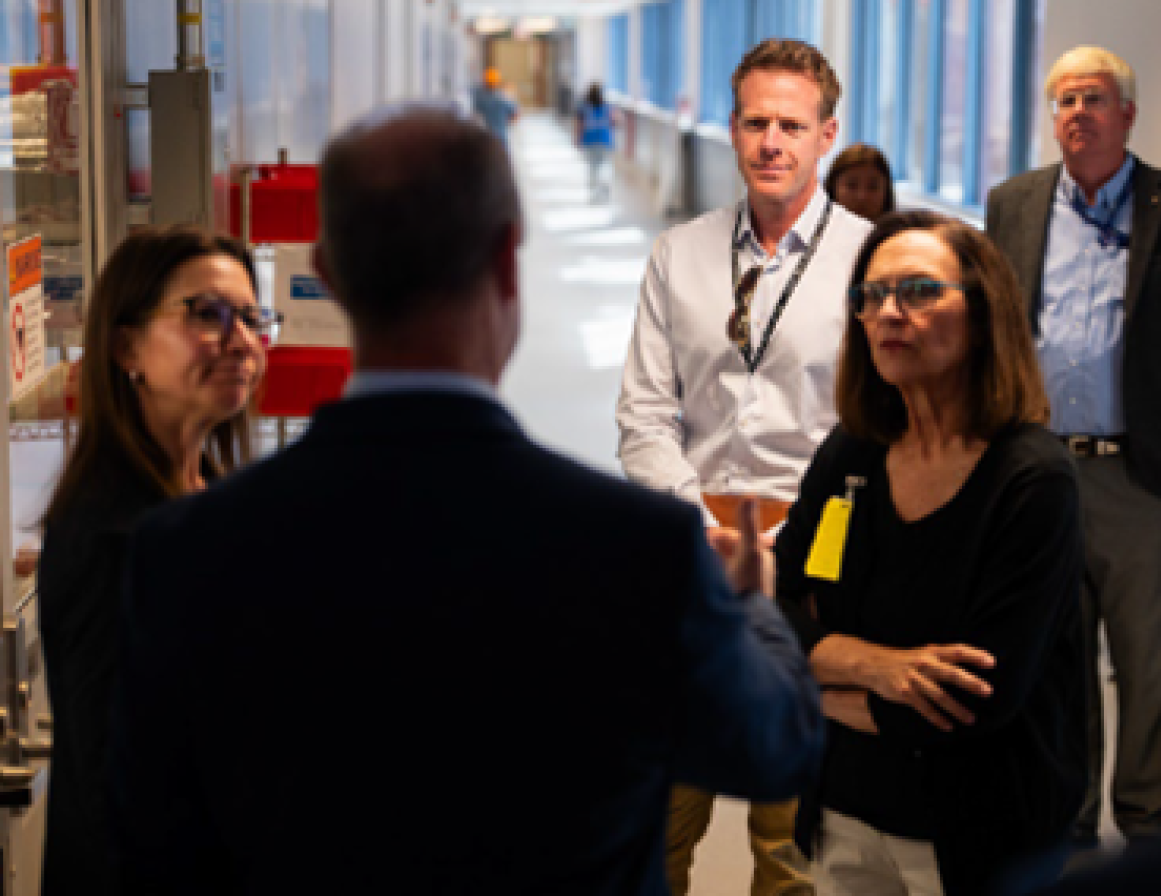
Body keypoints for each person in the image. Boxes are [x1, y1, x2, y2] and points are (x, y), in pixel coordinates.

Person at [109, 105, 824, 895]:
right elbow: (774, 751)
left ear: (330, 274)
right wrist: (749, 607)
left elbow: (150, 851)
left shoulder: (185, 552)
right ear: (508, 266)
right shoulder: (638, 548)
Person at [617, 37, 871, 895]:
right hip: (691, 561)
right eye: (757, 122)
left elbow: (875, 432)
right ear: (731, 128)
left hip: (816, 564)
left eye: (792, 126)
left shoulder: (869, 261)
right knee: (657, 822)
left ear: (826, 134)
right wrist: (702, 525)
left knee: (792, 842)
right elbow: (644, 416)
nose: (772, 142)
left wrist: (787, 543)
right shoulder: (679, 254)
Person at [770, 209, 1086, 896]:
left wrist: (804, 680)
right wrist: (874, 667)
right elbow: (774, 606)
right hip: (846, 805)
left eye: (917, 291)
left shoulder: (1031, 479)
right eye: (871, 295)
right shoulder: (853, 451)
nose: (889, 312)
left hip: (979, 825)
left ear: (983, 314)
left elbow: (972, 700)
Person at [985, 45, 1161, 849]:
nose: (1077, 114)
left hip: (1145, 477)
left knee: (1152, 668)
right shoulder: (1014, 204)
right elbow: (996, 332)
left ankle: (1152, 829)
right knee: (1057, 663)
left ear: (1127, 113)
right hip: (1040, 472)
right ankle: (1070, 821)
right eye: (1064, 100)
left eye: (1093, 99)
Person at [37, 227, 272, 895]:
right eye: (208, 314)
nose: (242, 341)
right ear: (126, 348)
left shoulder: (210, 499)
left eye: (251, 317)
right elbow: (119, 804)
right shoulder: (111, 538)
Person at [824, 144, 896, 222]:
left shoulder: (900, 229)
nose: (862, 197)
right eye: (851, 185)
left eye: (873, 187)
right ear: (833, 188)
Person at [576, 82, 616, 200]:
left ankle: (594, 191)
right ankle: (604, 185)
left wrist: (577, 140)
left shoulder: (583, 107)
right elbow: (614, 121)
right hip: (605, 140)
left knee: (592, 167)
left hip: (589, 140)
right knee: (604, 164)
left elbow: (580, 125)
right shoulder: (607, 107)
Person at [470, 67, 517, 142]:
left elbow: (476, 114)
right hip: (500, 135)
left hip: (485, 135)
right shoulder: (504, 97)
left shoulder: (479, 96)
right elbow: (515, 115)